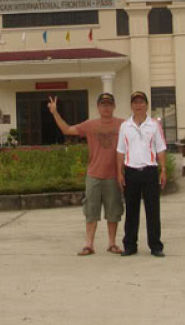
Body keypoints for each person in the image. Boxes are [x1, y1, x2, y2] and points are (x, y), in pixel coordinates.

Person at [48, 93, 124, 256]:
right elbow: (67, 129)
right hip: (94, 175)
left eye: (109, 104)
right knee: (91, 211)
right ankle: (89, 244)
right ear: (98, 107)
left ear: (114, 107)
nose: (106, 107)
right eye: (103, 104)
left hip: (113, 176)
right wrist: (55, 112)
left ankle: (112, 243)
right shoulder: (90, 125)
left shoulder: (122, 125)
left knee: (113, 211)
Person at [116, 91, 167, 257]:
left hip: (150, 171)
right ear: (131, 105)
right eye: (135, 102)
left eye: (141, 102)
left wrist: (163, 170)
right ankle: (130, 245)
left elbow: (160, 149)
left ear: (146, 104)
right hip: (131, 172)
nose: (138, 105)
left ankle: (155, 246)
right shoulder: (125, 126)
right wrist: (119, 172)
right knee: (131, 211)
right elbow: (120, 151)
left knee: (153, 210)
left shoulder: (154, 125)